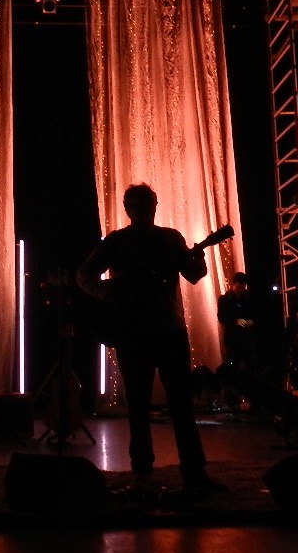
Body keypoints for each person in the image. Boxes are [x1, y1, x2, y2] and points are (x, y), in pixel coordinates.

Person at [76, 183, 226, 498]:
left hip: (167, 331)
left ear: (154, 206)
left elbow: (194, 275)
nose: (143, 210)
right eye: (137, 205)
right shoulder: (118, 241)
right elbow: (84, 275)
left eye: (146, 204)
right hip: (137, 334)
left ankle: (189, 473)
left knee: (179, 406)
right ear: (128, 209)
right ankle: (149, 473)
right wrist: (106, 292)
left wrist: (197, 255)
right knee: (140, 407)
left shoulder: (170, 238)